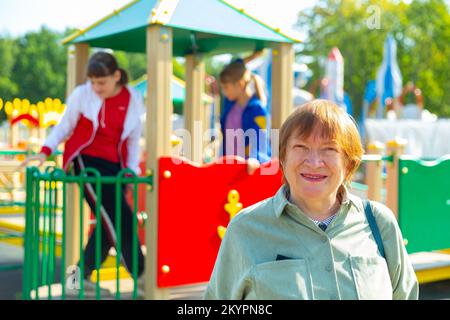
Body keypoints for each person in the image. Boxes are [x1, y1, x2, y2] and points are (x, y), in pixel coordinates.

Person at [204, 99, 419, 300]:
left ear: (349, 163)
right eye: (301, 147)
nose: (314, 162)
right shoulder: (245, 229)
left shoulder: (380, 224)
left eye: (329, 149)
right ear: (283, 156)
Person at [22, 51, 145, 296]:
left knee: (107, 224)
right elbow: (65, 125)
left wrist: (131, 171)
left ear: (116, 76)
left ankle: (76, 280)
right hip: (85, 162)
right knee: (121, 218)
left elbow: (132, 139)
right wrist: (45, 150)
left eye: (102, 82)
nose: (96, 88)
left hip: (113, 166)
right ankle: (141, 275)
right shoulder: (83, 94)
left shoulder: (132, 98)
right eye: (93, 82)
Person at [219, 52, 271, 168]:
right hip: (230, 166)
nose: (224, 92)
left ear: (240, 84)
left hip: (249, 168)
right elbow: (234, 65)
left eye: (226, 87)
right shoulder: (230, 104)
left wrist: (254, 158)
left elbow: (259, 137)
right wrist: (252, 57)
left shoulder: (256, 109)